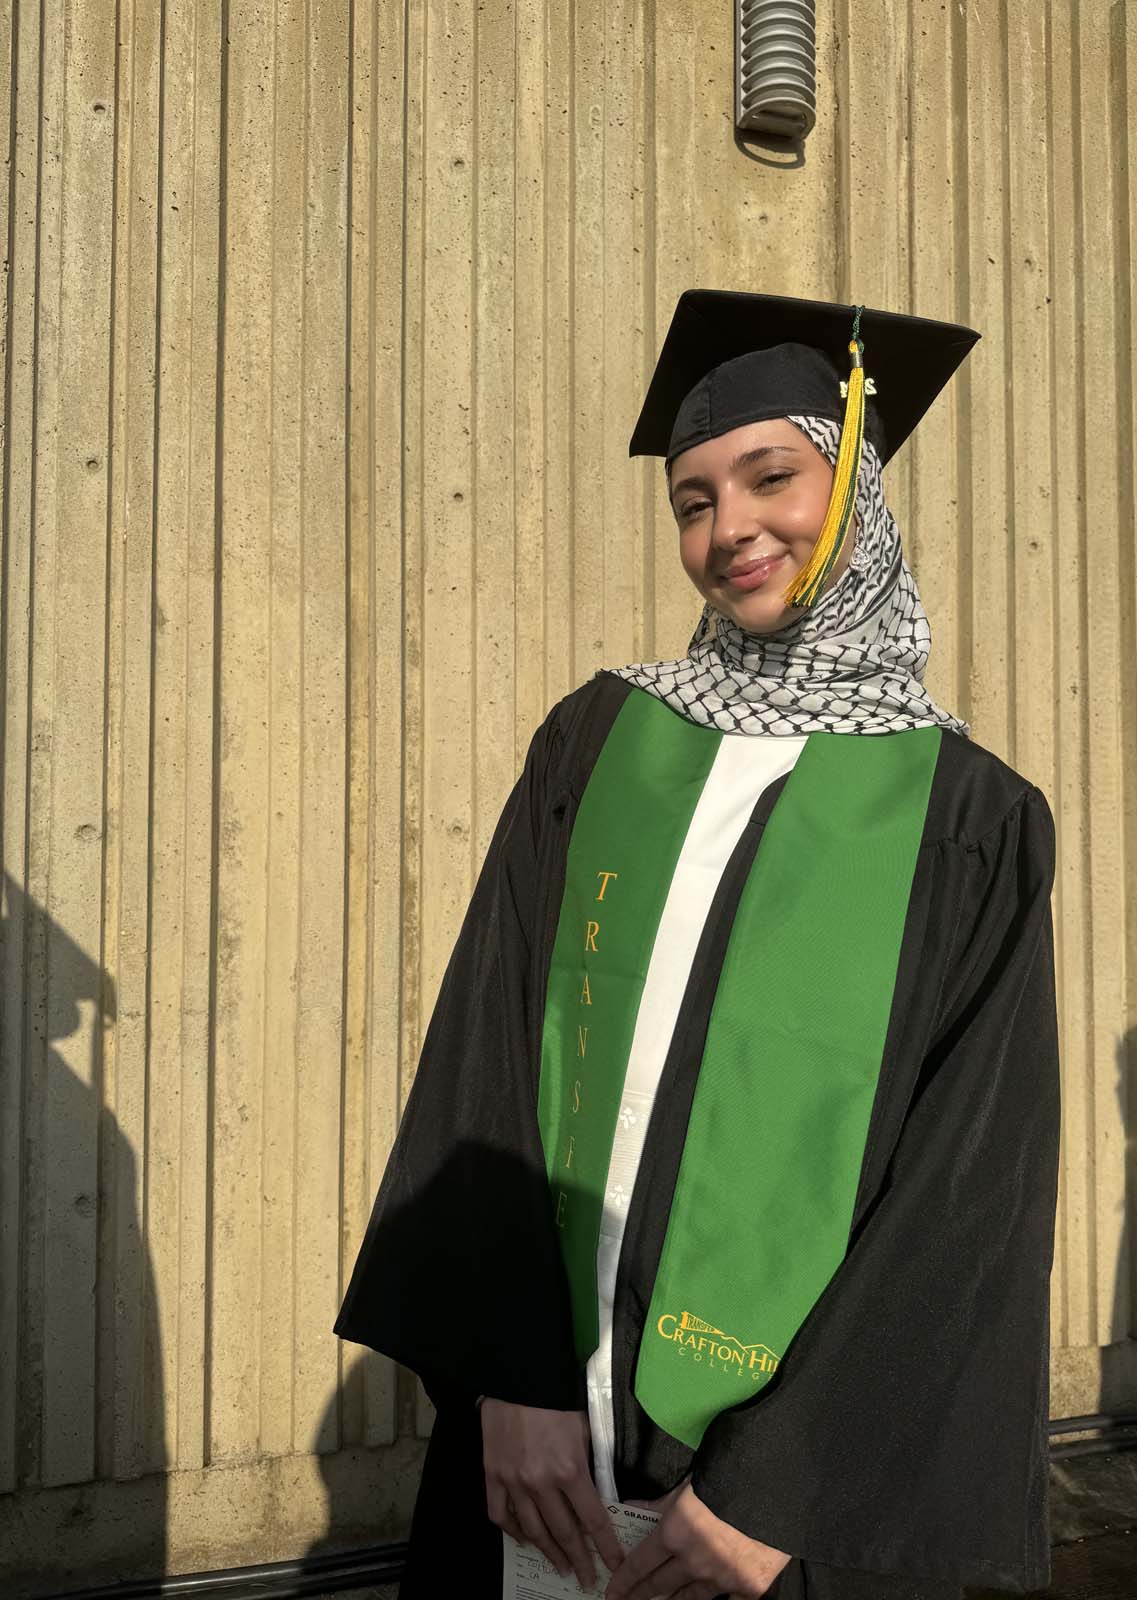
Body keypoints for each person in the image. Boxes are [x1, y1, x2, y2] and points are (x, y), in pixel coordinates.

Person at [335, 290, 1061, 1600]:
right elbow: (486, 1052)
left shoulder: (971, 821)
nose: (730, 530)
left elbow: (969, 1192)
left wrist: (787, 1481)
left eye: (770, 476)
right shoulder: (601, 740)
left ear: (858, 488)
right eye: (692, 500)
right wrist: (505, 1377)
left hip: (764, 1521)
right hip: (540, 1460)